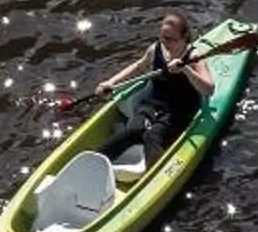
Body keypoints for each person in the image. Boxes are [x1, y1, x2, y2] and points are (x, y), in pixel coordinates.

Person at [91, 11, 219, 161]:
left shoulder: (193, 57)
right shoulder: (156, 49)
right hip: (154, 104)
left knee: (152, 136)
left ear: (184, 37)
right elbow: (138, 67)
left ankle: (153, 173)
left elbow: (209, 89)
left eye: (170, 39)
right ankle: (94, 160)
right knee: (134, 129)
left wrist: (186, 69)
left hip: (180, 111)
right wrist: (111, 83)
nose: (165, 43)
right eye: (163, 37)